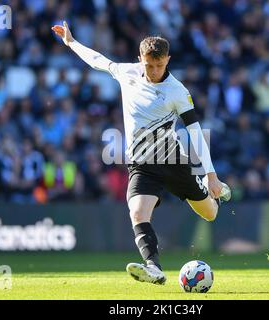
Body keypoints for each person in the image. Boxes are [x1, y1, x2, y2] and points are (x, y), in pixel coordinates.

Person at [52, 21, 231, 285]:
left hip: (172, 160)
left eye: (160, 65)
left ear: (168, 59)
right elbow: (97, 61)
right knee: (137, 213)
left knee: (210, 213)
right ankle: (154, 268)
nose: (155, 70)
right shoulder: (128, 73)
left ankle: (213, 189)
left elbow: (194, 131)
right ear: (140, 59)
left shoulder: (178, 91)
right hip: (141, 164)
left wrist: (211, 175)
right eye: (150, 65)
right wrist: (71, 42)